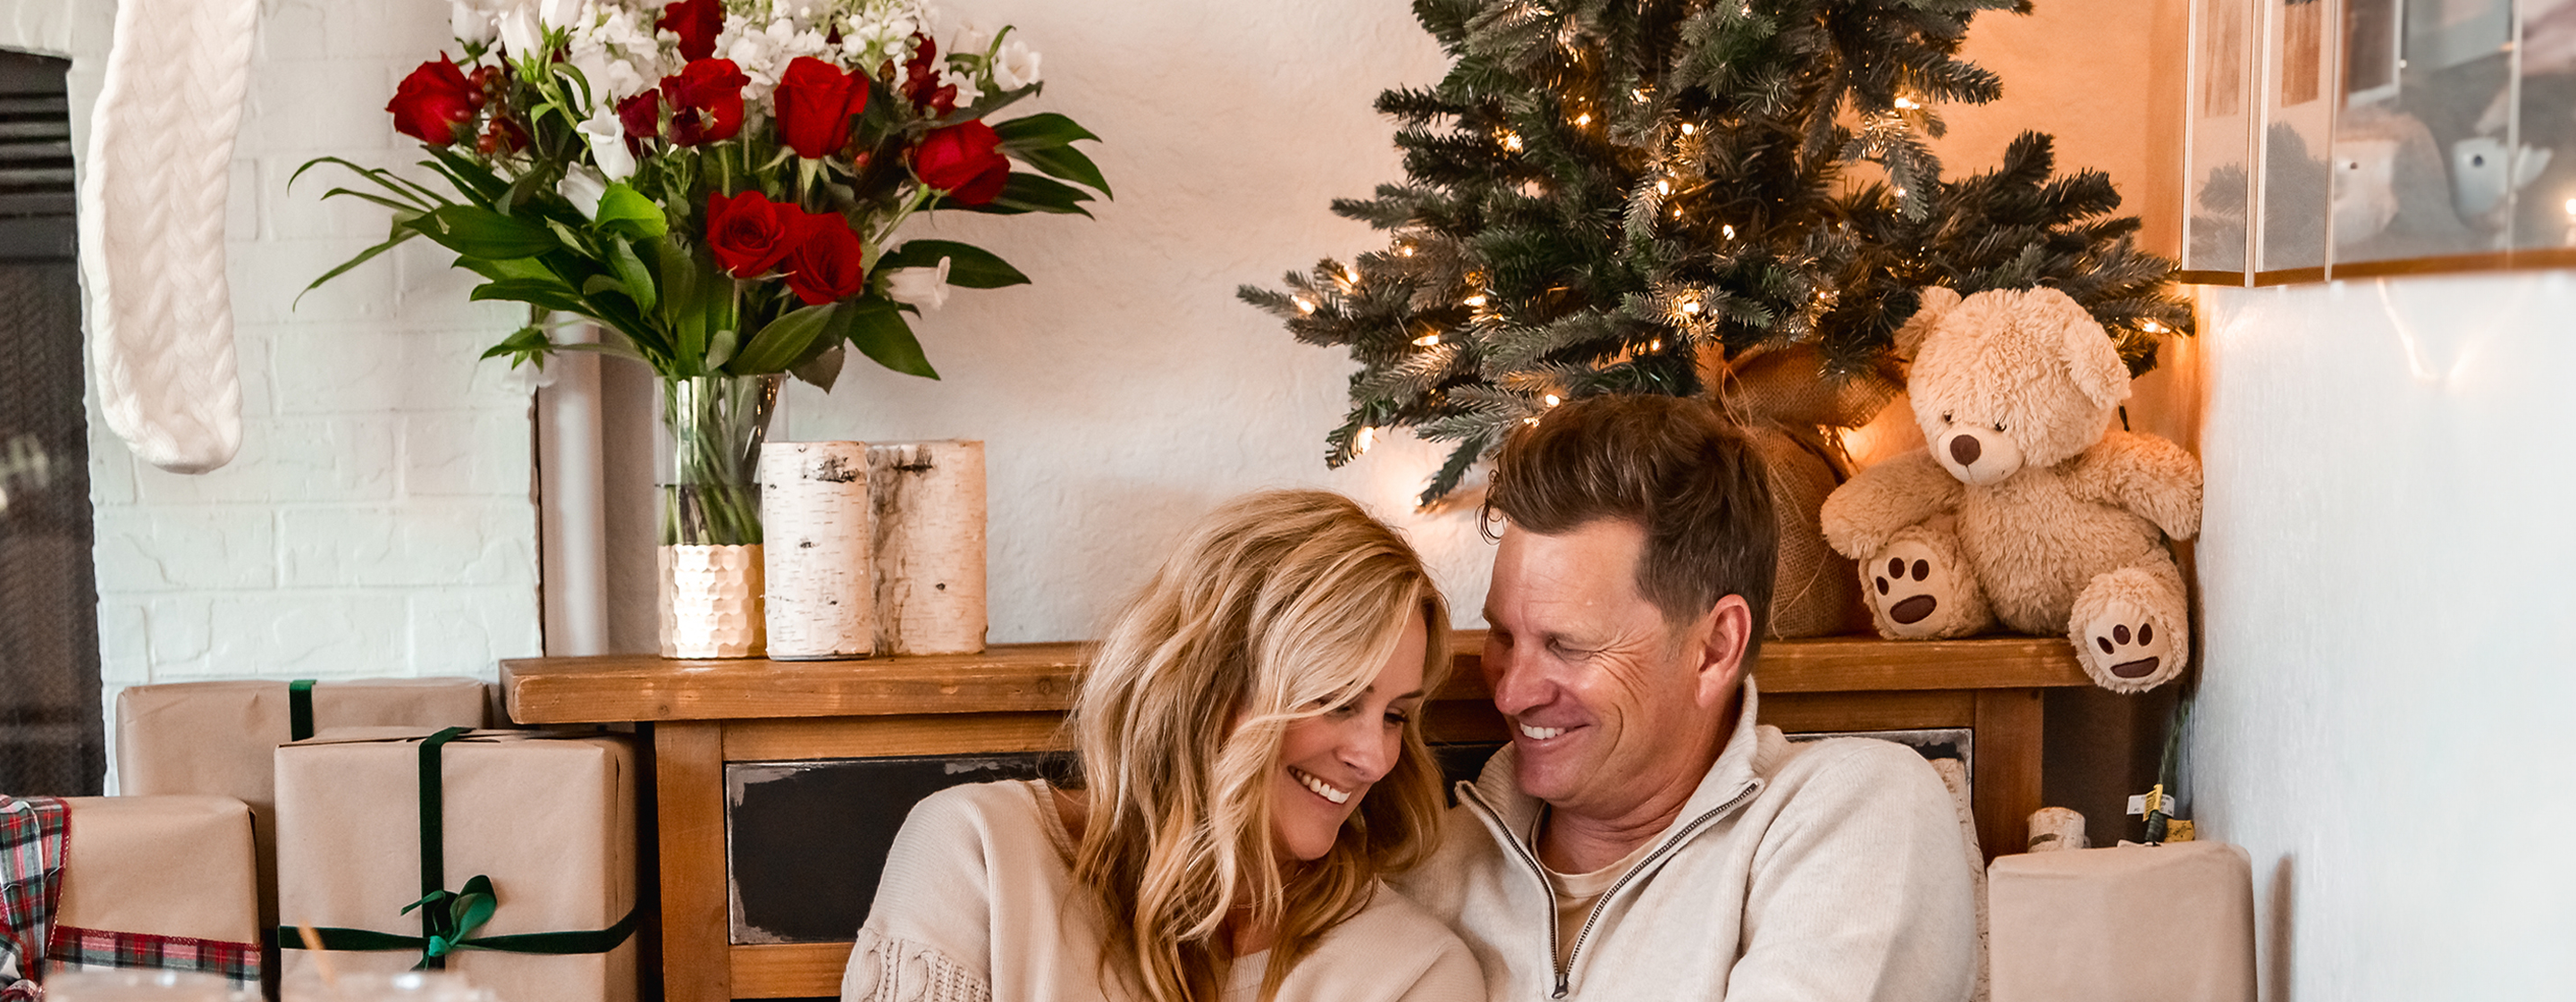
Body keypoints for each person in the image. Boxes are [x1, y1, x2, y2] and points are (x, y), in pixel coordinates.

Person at [1397, 394, 1977, 1000]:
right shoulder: (1424, 868)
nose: (1512, 691)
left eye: (1567, 645)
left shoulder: (1858, 814)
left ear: (1715, 648)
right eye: (1503, 635)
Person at [841, 490, 1486, 1002]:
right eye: (1338, 700)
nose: (1373, 757)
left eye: (1396, 716)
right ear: (1210, 682)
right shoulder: (979, 855)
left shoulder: (1413, 972)